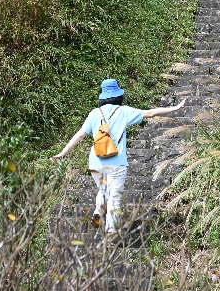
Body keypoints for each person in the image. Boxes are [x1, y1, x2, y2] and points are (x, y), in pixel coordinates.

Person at [51, 79, 186, 236]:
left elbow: (80, 134)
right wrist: (176, 107)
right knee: (114, 199)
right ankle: (110, 234)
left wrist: (63, 151)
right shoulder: (123, 111)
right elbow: (150, 113)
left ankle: (97, 212)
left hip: (96, 162)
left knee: (103, 189)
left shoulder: (95, 113)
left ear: (102, 96)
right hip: (117, 163)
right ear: (118, 95)